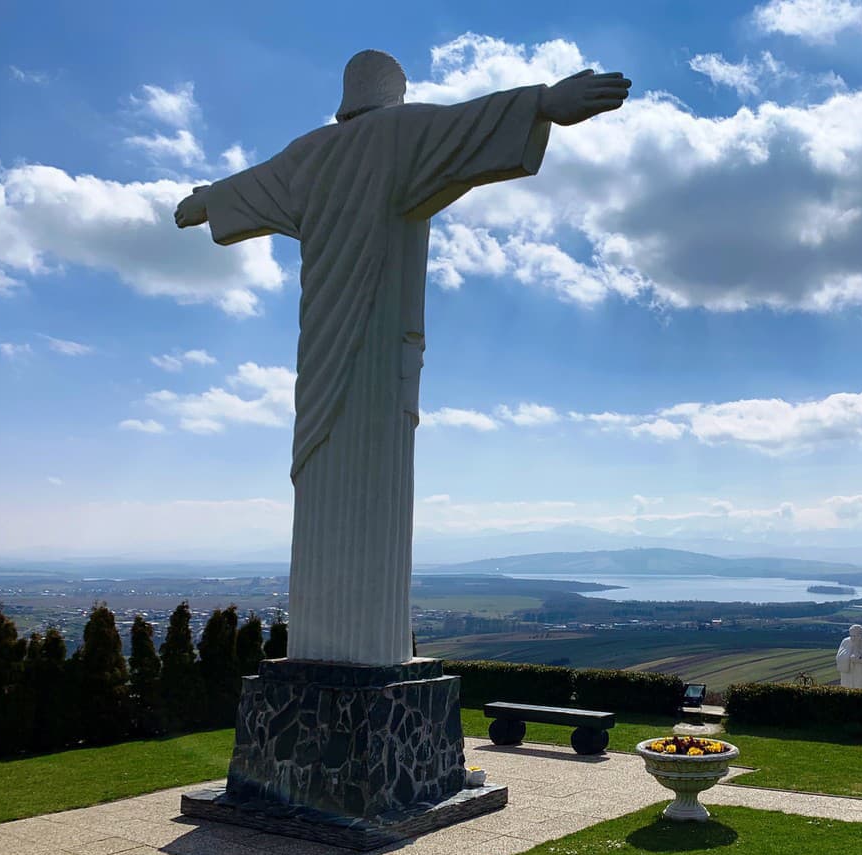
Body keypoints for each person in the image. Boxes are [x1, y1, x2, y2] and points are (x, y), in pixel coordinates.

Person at [174, 52, 630, 666]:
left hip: (321, 349)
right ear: (394, 92)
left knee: (326, 468)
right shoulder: (400, 130)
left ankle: (324, 651)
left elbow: (253, 185)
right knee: (367, 473)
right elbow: (468, 125)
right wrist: (543, 102)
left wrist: (209, 200)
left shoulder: (308, 153)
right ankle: (368, 657)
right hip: (379, 348)